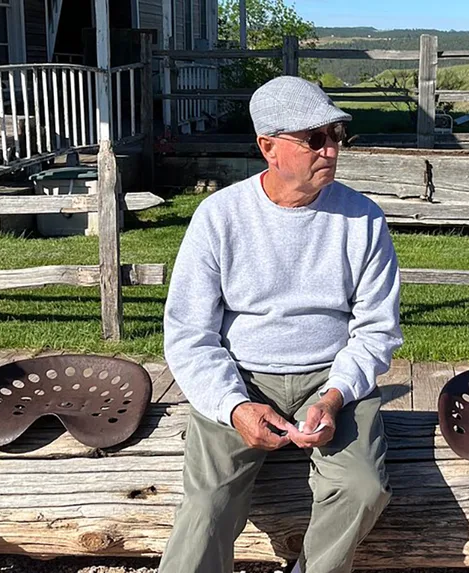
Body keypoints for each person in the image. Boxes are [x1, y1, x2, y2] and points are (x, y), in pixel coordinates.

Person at [159, 75, 403, 573]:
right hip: (242, 374)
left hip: (331, 377)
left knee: (363, 488)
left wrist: (335, 397)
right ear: (268, 147)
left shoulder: (364, 219)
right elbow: (189, 334)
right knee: (206, 507)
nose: (331, 149)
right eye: (315, 138)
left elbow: (376, 329)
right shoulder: (219, 216)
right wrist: (234, 407)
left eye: (337, 135)